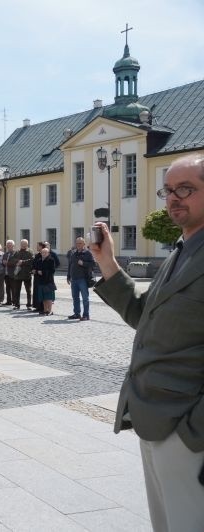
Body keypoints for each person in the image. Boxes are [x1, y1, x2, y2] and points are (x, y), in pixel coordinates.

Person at [90, 153, 204, 531]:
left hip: (187, 431)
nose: (174, 198)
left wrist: (193, 432)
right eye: (168, 190)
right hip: (153, 419)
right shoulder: (181, 252)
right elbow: (146, 317)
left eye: (186, 189)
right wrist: (108, 264)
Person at [67, 237, 95, 320]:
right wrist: (68, 276)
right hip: (74, 279)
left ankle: (86, 315)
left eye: (80, 243)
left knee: (85, 298)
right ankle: (76, 313)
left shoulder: (87, 253)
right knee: (75, 297)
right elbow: (70, 265)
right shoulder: (73, 253)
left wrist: (83, 263)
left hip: (83, 279)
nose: (78, 245)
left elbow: (93, 264)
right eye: (77, 243)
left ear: (84, 244)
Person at [9, 239, 34, 309]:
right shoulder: (17, 252)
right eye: (22, 244)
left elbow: (32, 260)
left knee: (28, 291)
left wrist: (22, 262)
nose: (23, 245)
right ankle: (17, 305)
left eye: (25, 244)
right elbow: (12, 259)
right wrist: (18, 261)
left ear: (27, 244)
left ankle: (29, 305)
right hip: (18, 274)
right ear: (20, 244)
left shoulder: (30, 251)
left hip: (27, 274)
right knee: (17, 291)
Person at [33, 247, 56, 315]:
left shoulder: (51, 260)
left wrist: (43, 272)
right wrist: (35, 271)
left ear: (48, 253)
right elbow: (36, 268)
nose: (44, 254)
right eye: (43, 252)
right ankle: (45, 310)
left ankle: (50, 311)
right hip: (40, 281)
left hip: (48, 281)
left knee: (49, 297)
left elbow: (52, 270)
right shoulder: (39, 260)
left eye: (45, 252)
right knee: (43, 297)